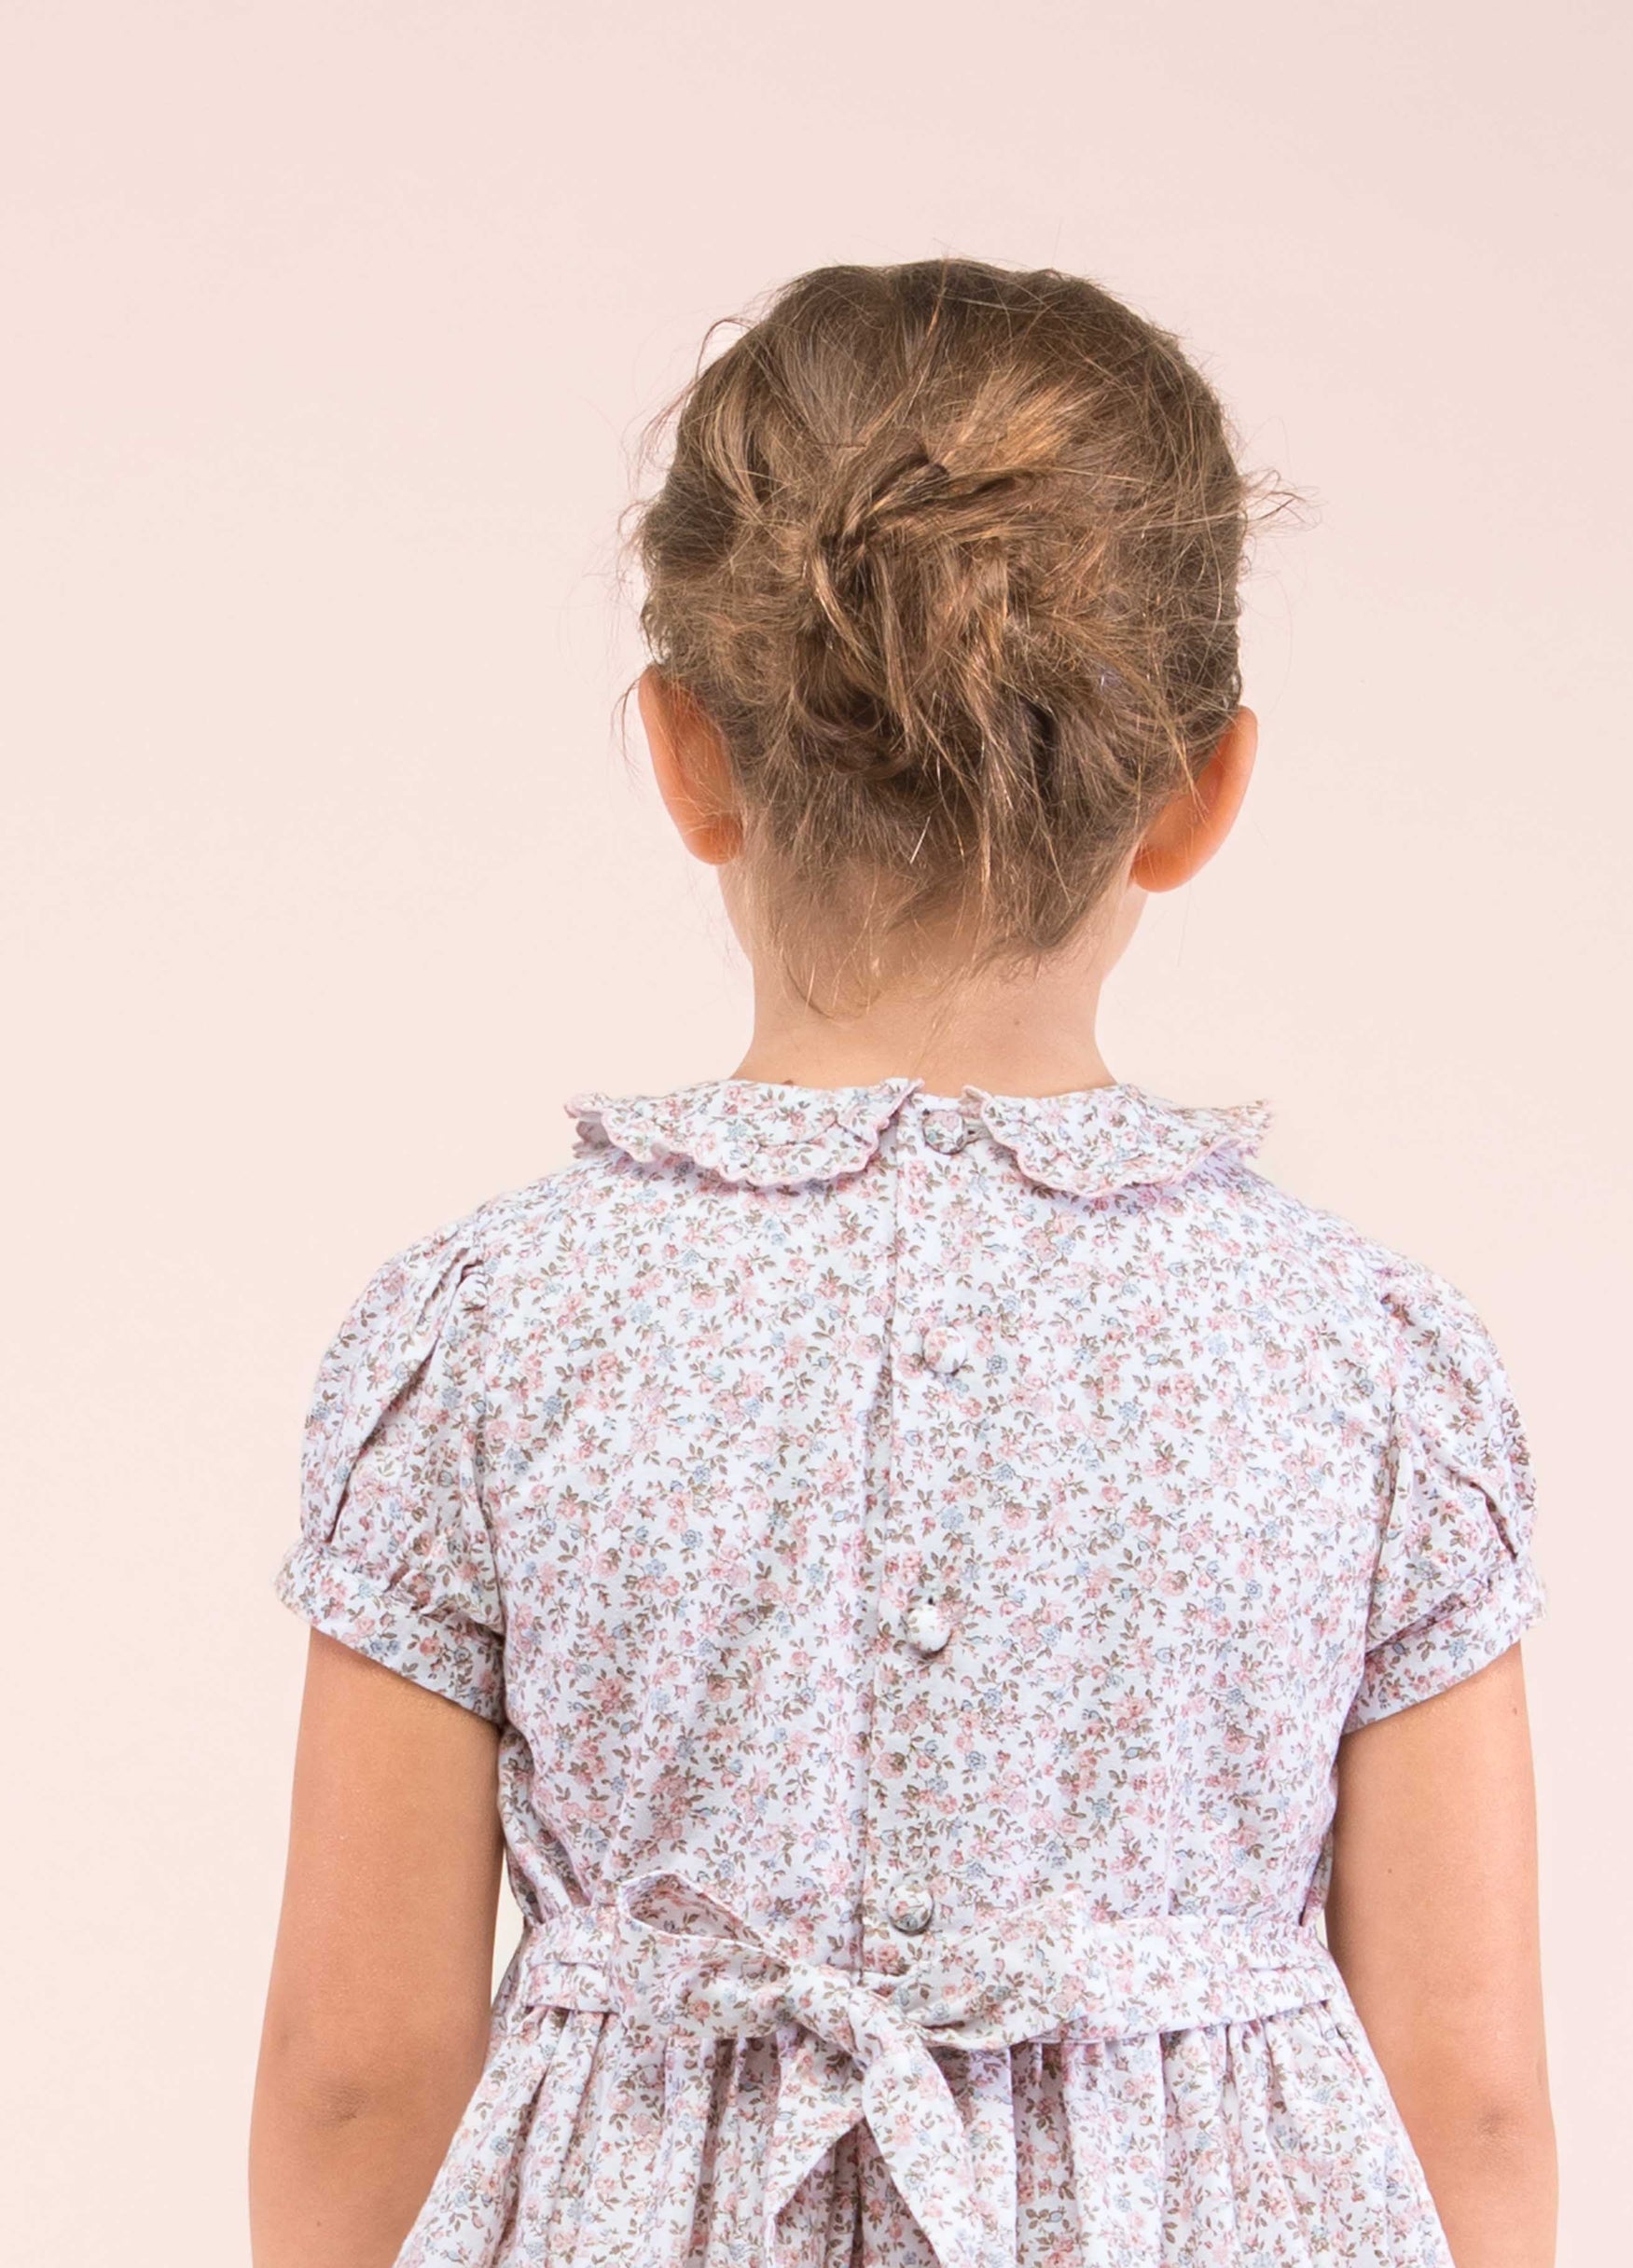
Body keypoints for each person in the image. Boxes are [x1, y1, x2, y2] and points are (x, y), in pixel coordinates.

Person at [250, 257, 1557, 2268]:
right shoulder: (1369, 1359)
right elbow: (1468, 2089)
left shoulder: (484, 1336)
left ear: (686, 756)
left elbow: (357, 2071)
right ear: (1199, 792)